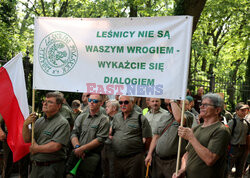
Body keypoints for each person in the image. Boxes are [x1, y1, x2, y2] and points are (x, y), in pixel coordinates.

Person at [173, 93, 231, 178]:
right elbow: (187, 154)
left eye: (206, 105)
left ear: (217, 110)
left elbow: (210, 159)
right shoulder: (197, 128)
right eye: (201, 104)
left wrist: (191, 137)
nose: (201, 107)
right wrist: (182, 170)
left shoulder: (221, 130)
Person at [22, 92, 70, 178]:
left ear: (59, 106)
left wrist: (36, 149)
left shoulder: (62, 123)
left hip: (51, 168)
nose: (45, 103)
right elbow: (27, 139)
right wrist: (25, 125)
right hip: (35, 167)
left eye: (50, 102)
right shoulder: (39, 121)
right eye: (45, 101)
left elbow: (56, 146)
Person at [66, 94, 109, 178]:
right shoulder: (81, 117)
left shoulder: (104, 119)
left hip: (92, 156)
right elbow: (74, 133)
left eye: (95, 101)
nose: (92, 102)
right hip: (76, 153)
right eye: (90, 100)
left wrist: (82, 149)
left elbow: (100, 139)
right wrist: (77, 147)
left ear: (101, 103)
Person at [145, 99, 190, 178]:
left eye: (170, 104)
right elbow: (156, 136)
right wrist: (149, 154)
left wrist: (172, 101)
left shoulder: (187, 115)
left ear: (179, 103)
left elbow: (180, 119)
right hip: (158, 160)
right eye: (167, 105)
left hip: (173, 162)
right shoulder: (164, 116)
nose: (169, 107)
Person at [111, 95, 152, 178]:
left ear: (132, 103)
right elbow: (113, 133)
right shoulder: (116, 117)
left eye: (126, 102)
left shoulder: (140, 118)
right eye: (121, 102)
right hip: (117, 158)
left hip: (134, 159)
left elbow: (148, 138)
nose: (123, 104)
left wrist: (141, 151)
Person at [228, 103, 250, 178]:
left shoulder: (246, 123)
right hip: (233, 148)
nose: (244, 112)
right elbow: (227, 136)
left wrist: (247, 149)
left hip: (243, 149)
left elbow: (247, 137)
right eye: (242, 110)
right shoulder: (232, 122)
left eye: (245, 110)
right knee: (228, 169)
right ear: (237, 111)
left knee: (240, 170)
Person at [102, 99, 119, 178]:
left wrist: (106, 134)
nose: (106, 108)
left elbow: (111, 134)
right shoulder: (108, 118)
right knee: (105, 171)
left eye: (108, 107)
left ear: (114, 108)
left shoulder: (119, 118)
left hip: (114, 148)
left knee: (113, 172)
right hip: (105, 146)